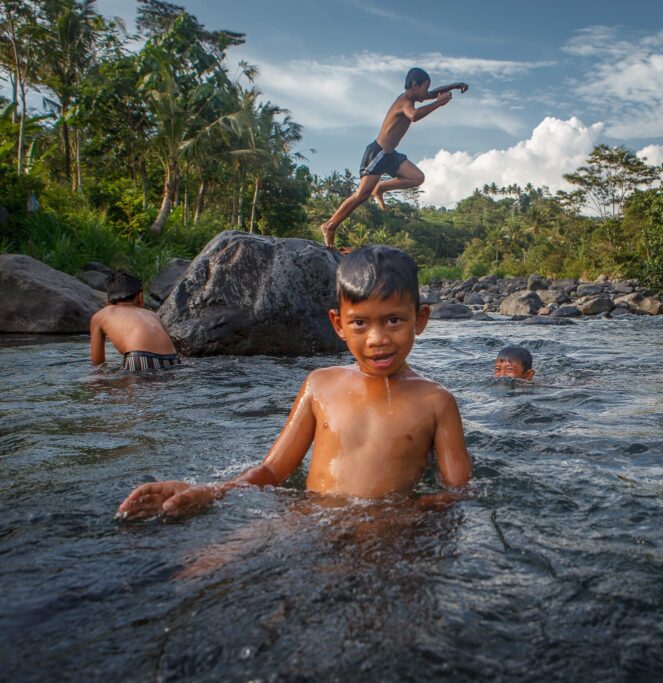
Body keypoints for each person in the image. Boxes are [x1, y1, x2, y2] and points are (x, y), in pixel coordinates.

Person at [117, 246, 473, 520]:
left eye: (393, 320)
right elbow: (273, 469)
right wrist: (212, 491)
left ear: (420, 319)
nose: (377, 338)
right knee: (212, 566)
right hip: (307, 518)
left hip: (385, 527)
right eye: (360, 323)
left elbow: (458, 492)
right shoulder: (319, 385)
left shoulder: (436, 401)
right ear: (338, 324)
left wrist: (399, 517)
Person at [319, 68, 468, 250]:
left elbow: (432, 94)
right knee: (361, 194)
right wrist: (438, 104)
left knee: (417, 178)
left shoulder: (413, 97)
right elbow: (413, 116)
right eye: (425, 88)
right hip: (378, 153)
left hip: (390, 154)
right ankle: (329, 226)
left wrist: (455, 86)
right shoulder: (405, 101)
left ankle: (381, 187)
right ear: (414, 85)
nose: (427, 93)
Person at [90, 271, 180, 371]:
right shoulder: (153, 315)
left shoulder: (101, 315)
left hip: (139, 358)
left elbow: (98, 365)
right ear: (140, 297)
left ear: (108, 301)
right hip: (172, 359)